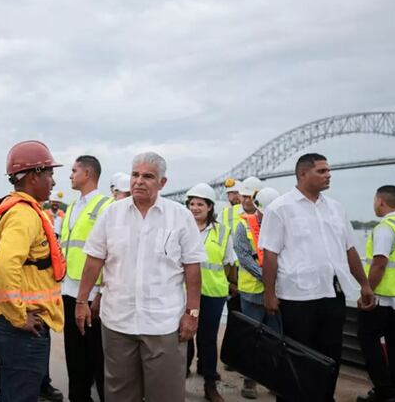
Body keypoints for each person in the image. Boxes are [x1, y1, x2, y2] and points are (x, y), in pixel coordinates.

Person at [76, 152, 205, 402]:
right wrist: (82, 301)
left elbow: (192, 268)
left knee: (165, 395)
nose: (139, 181)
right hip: (117, 323)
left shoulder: (179, 216)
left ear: (162, 183)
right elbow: (94, 261)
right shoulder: (111, 214)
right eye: (135, 175)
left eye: (147, 176)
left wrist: (193, 313)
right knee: (119, 394)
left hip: (164, 325)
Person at [261, 153, 375, 401]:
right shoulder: (280, 208)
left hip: (332, 294)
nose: (328, 175)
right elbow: (269, 255)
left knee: (330, 356)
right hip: (296, 297)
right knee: (296, 356)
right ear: (303, 174)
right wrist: (269, 294)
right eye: (322, 171)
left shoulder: (335, 209)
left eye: (328, 170)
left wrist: (364, 284)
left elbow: (350, 249)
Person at [0, 140, 65, 402]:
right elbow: (6, 267)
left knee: (14, 393)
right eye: (50, 173)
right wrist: (19, 317)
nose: (53, 181)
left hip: (18, 322)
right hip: (20, 326)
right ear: (33, 176)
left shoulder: (25, 211)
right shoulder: (23, 215)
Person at [59, 155, 112, 402]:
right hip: (70, 291)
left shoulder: (106, 206)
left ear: (88, 173)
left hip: (92, 296)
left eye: (73, 170)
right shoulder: (71, 207)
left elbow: (112, 254)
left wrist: (101, 292)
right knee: (75, 358)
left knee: (98, 359)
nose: (70, 175)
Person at [357, 185, 395, 402]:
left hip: (383, 298)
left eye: (374, 200)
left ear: (380, 201)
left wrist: (367, 292)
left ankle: (384, 391)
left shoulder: (385, 228)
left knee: (367, 337)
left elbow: (379, 264)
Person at [183, 183, 237, 402]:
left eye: (200, 204)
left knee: (207, 339)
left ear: (210, 207)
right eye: (192, 204)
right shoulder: (181, 227)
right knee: (183, 337)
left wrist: (231, 284)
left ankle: (210, 383)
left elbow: (228, 263)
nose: (195, 208)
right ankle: (180, 374)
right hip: (184, 292)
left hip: (213, 294)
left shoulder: (222, 231)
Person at [233, 186, 281, 399]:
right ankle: (249, 381)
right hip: (253, 293)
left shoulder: (282, 225)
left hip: (279, 293)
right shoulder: (244, 226)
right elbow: (244, 257)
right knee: (252, 336)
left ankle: (273, 378)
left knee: (275, 337)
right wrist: (267, 277)